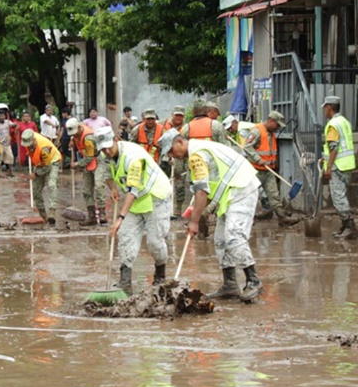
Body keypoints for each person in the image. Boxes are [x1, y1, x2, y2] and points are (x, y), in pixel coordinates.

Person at [161, 128, 264, 301]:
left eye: (171, 151)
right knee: (221, 240)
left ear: (180, 142)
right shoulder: (197, 151)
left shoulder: (197, 155)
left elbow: (202, 191)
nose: (172, 155)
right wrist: (203, 213)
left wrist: (194, 222)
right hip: (231, 192)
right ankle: (230, 284)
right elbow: (207, 188)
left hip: (241, 188)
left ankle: (253, 280)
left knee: (234, 236)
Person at [94, 127, 171, 295]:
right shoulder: (105, 155)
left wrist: (120, 218)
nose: (106, 151)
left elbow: (132, 190)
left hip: (156, 197)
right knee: (125, 237)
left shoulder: (133, 158)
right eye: (103, 149)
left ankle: (160, 275)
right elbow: (106, 172)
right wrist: (113, 187)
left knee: (154, 241)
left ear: (116, 139)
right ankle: (125, 282)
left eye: (108, 147)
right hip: (135, 202)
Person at [241, 111, 299, 226]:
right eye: (277, 125)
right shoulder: (257, 131)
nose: (278, 128)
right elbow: (247, 146)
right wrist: (258, 159)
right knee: (250, 196)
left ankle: (282, 218)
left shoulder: (271, 133)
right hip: (255, 171)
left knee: (274, 195)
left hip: (268, 170)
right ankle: (246, 219)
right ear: (271, 121)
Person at [322, 96, 357, 239]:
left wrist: (329, 167)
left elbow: (334, 148)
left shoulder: (333, 125)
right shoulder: (345, 122)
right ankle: (345, 226)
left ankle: (350, 227)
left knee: (338, 198)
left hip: (337, 166)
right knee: (341, 195)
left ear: (329, 108)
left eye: (325, 108)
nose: (324, 111)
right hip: (347, 165)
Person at [67, 118, 108, 226]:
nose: (74, 135)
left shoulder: (88, 138)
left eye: (75, 133)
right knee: (86, 190)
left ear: (79, 128)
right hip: (87, 162)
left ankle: (102, 213)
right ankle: (92, 216)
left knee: (99, 186)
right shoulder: (76, 132)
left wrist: (76, 164)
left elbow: (89, 157)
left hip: (97, 160)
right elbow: (74, 136)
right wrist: (72, 140)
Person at [21, 128, 62, 224]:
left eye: (29, 144)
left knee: (51, 184)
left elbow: (47, 167)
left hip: (52, 162)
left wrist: (35, 174)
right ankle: (44, 216)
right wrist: (30, 152)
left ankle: (52, 212)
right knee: (36, 191)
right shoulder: (28, 136)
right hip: (40, 163)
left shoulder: (43, 148)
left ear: (34, 140)